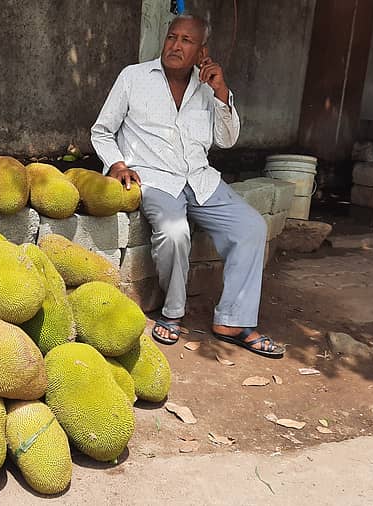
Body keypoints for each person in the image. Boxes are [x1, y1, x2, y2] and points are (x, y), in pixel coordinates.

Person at [91, 13, 284, 358]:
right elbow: (101, 131)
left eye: (186, 41)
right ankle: (173, 312)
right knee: (174, 232)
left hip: (201, 180)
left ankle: (232, 321)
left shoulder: (208, 88)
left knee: (252, 227)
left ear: (201, 51)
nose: (175, 46)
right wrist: (117, 163)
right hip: (155, 179)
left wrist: (222, 93)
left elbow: (226, 140)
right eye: (172, 38)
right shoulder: (133, 78)